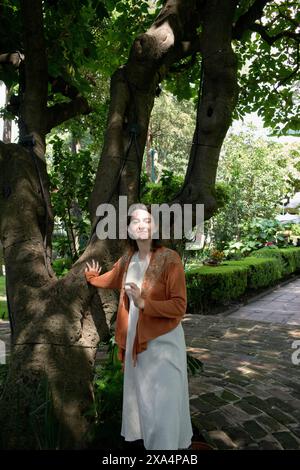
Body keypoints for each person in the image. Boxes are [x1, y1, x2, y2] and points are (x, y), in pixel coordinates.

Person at [84, 203, 193, 450]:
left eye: (147, 221)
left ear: (154, 227)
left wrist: (144, 302)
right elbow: (111, 279)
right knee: (144, 400)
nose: (142, 225)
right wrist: (91, 278)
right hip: (136, 341)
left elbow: (178, 306)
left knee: (164, 404)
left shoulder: (169, 259)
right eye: (136, 222)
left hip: (164, 342)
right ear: (129, 230)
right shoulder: (128, 260)